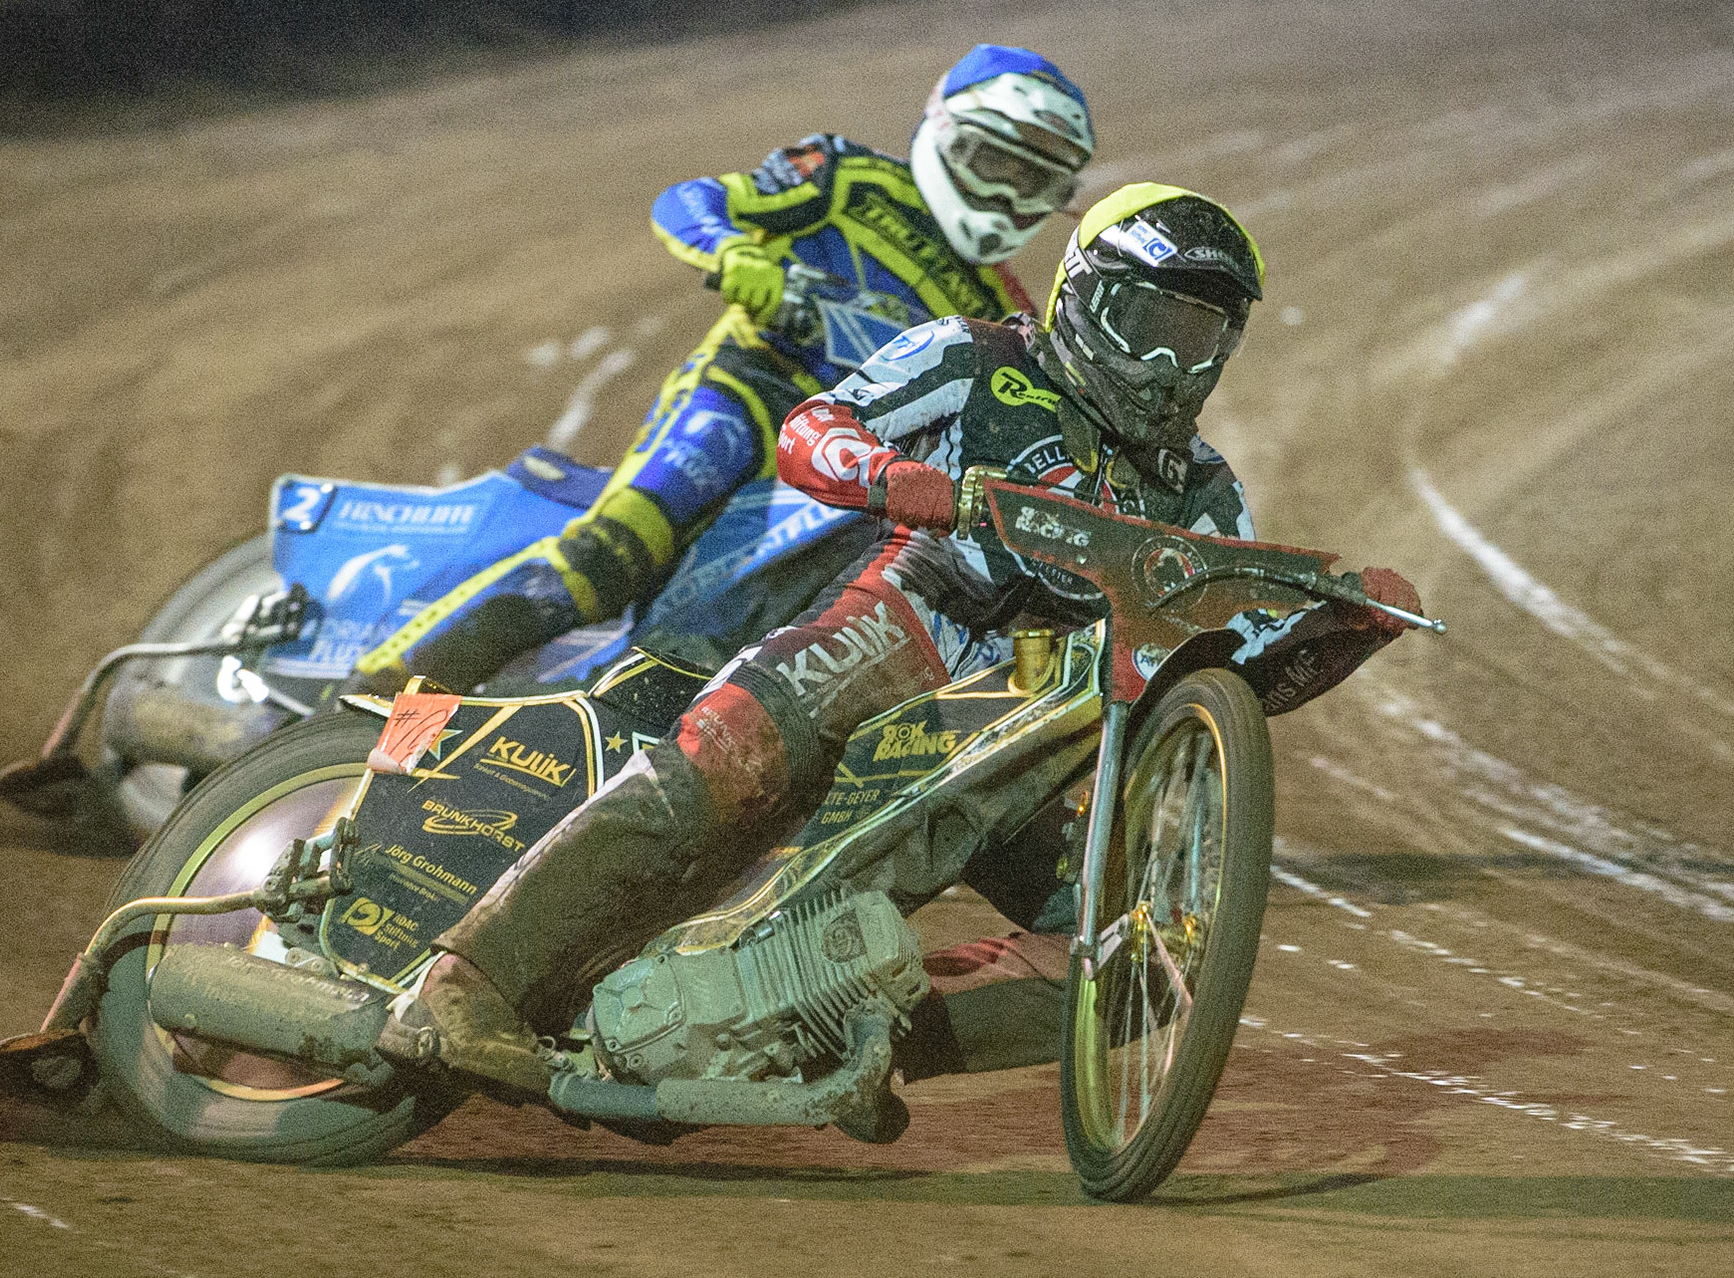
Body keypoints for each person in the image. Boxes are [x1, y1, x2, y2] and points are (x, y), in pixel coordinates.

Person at [403, 183, 1424, 1104]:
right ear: (1079, 296)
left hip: (1033, 726)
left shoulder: (1210, 491)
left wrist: (1330, 636)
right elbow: (815, 430)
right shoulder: (977, 358)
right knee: (733, 755)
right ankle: (463, 983)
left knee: (1142, 957)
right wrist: (902, 482)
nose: (1167, 361)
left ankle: (847, 1044)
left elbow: (1208, 667)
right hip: (906, 629)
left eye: (1197, 335)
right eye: (1147, 321)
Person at [350, 44, 1097, 693]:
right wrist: (736, 253)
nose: (1005, 196)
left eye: (1033, 183)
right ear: (947, 134)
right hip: (751, 395)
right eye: (996, 163)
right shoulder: (849, 180)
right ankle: (369, 695)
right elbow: (692, 199)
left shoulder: (1003, 309)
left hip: (853, 477)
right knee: (615, 552)